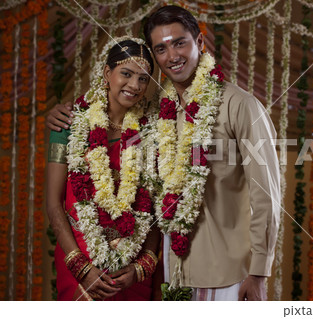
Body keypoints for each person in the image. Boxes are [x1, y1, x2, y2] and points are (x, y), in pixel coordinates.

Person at [47, 5, 280, 301]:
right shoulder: (158, 115)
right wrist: (58, 115)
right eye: (161, 48)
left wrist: (259, 274)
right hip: (171, 273)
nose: (172, 56)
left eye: (180, 43)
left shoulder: (240, 106)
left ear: (200, 43)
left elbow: (267, 197)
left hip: (228, 274)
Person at [46, 36, 161, 301]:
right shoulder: (69, 123)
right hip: (80, 258)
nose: (134, 85)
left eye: (143, 78)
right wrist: (80, 266)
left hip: (132, 267)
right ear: (107, 73)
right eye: (126, 73)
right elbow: (53, 203)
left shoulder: (153, 131)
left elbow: (156, 207)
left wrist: (143, 266)